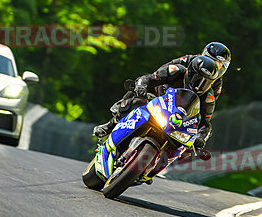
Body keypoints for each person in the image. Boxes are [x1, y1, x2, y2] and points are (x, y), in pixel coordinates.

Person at [93, 54, 226, 163]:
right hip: (156, 100)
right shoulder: (176, 70)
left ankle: (152, 166)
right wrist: (141, 86)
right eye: (197, 78)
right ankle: (110, 125)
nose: (200, 84)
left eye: (206, 82)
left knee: (184, 148)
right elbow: (148, 78)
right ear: (190, 71)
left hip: (178, 119)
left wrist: (201, 138)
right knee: (135, 101)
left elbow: (205, 123)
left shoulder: (208, 97)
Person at [93, 42, 231, 140]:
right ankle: (111, 124)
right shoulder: (187, 61)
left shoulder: (216, 86)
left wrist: (199, 136)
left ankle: (155, 163)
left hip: (181, 112)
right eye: (211, 60)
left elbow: (205, 111)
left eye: (219, 65)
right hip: (161, 95)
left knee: (186, 140)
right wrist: (142, 86)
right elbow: (157, 74)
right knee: (138, 95)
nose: (214, 67)